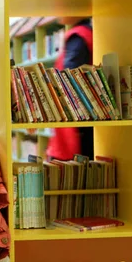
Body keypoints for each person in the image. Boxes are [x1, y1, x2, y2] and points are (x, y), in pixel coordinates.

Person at [47, 16, 94, 161]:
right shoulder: (85, 33)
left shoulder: (78, 36)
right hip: (82, 123)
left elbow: (69, 80)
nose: (56, 13)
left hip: (75, 128)